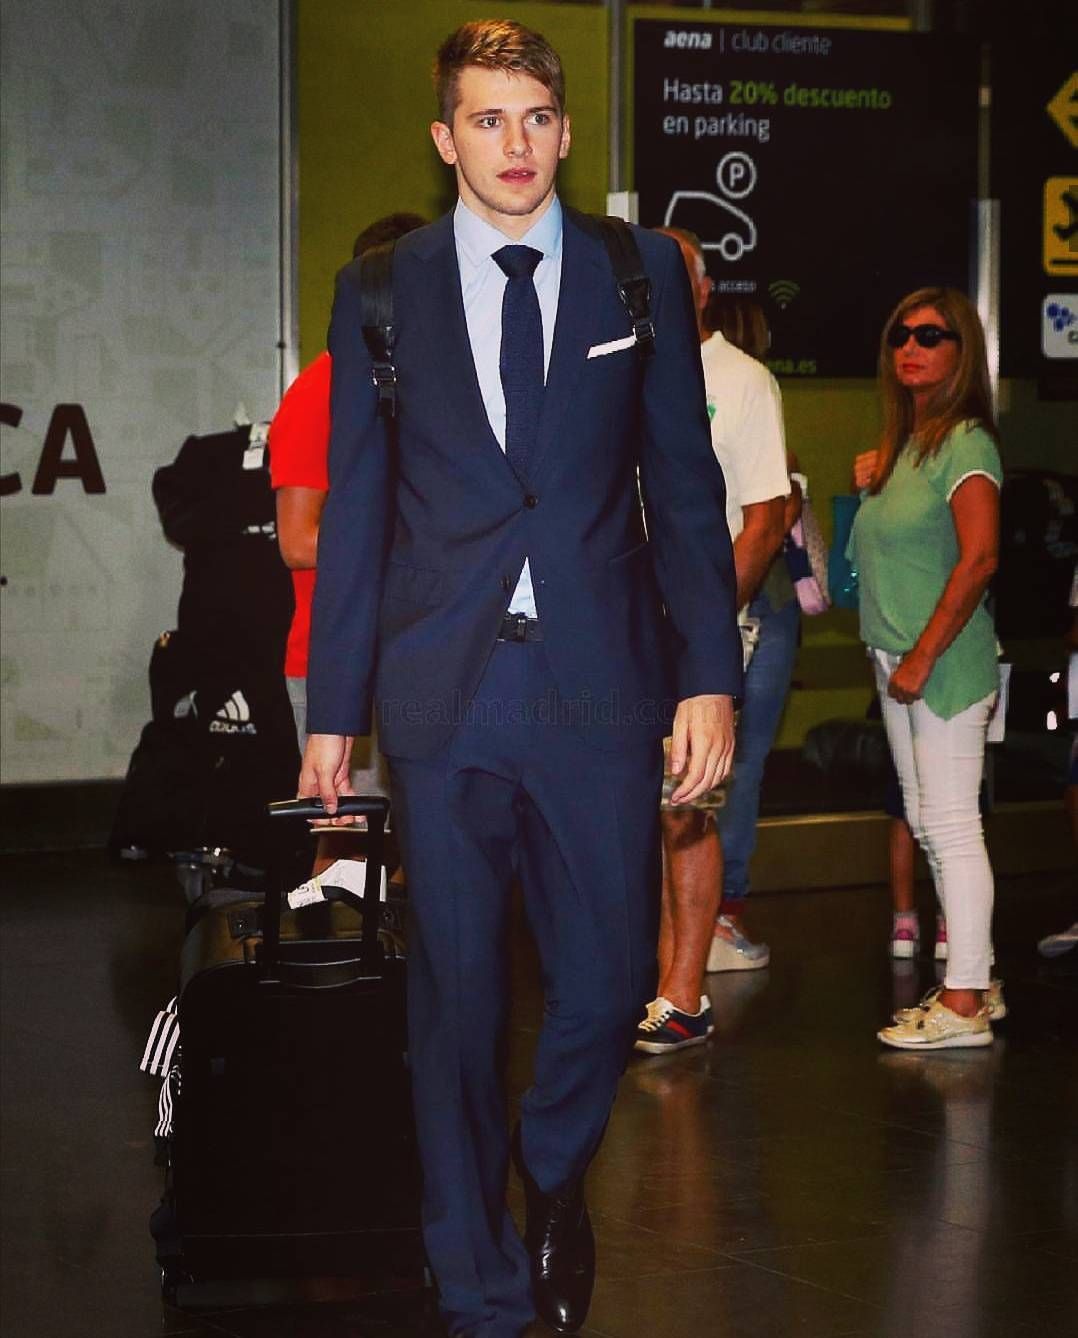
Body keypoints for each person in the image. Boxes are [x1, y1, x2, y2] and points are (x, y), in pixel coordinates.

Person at [299, 21, 741, 1338]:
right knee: (455, 998)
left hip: (600, 689)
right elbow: (358, 510)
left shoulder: (633, 272)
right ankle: (478, 1283)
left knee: (605, 983)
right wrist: (332, 713)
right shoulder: (381, 290)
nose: (516, 145)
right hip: (445, 691)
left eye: (537, 118)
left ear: (564, 129)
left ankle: (550, 1168)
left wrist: (708, 675)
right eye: (487, 120)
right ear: (445, 139)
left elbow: (684, 485)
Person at [634, 267, 788, 1055]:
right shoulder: (617, 366)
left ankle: (685, 995)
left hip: (702, 631)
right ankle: (661, 987)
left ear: (699, 288)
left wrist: (708, 627)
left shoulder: (742, 379)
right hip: (622, 633)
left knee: (686, 804)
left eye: (674, 272)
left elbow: (767, 518)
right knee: (645, 810)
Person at [848, 287, 1003, 1051]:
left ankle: (965, 1001)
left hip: (939, 668)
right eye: (900, 335)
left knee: (950, 826)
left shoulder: (967, 442)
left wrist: (921, 655)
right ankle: (972, 982)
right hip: (899, 665)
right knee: (931, 823)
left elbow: (980, 560)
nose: (911, 346)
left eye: (932, 336)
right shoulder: (908, 446)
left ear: (961, 351)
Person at [270, 212, 427, 874]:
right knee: (345, 852)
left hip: (416, 651)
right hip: (337, 655)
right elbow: (297, 540)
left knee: (424, 848)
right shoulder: (321, 389)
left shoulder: (420, 383)